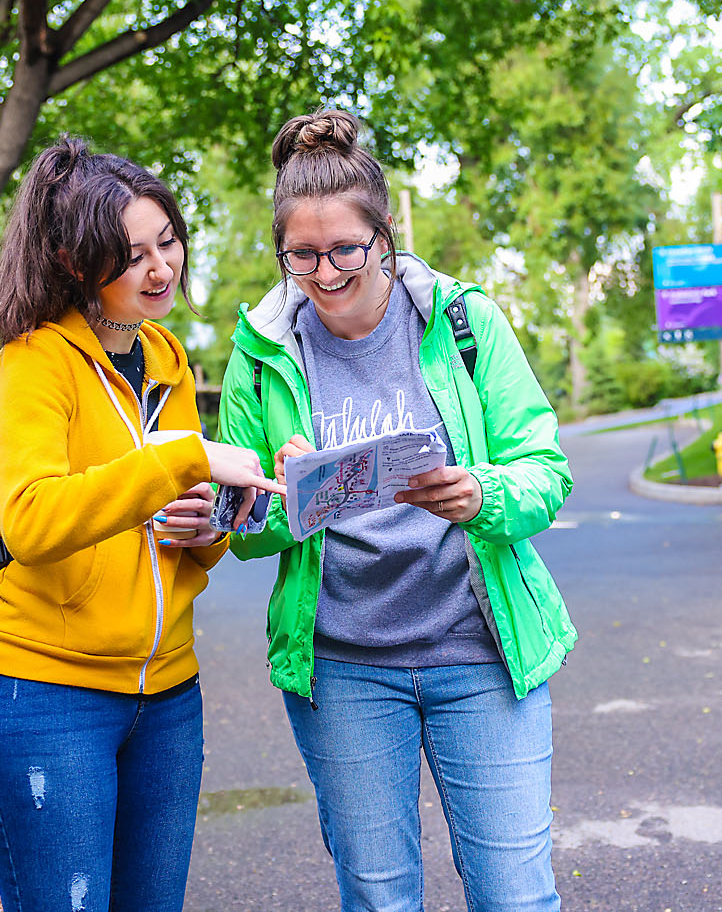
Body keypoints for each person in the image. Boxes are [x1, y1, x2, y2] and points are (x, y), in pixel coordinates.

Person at [217, 109, 577, 912]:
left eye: (345, 248)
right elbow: (239, 527)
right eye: (302, 254)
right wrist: (277, 498)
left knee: (515, 895)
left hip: (480, 651)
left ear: (384, 235)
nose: (325, 272)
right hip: (342, 665)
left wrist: (481, 493)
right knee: (379, 899)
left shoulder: (464, 321)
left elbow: (545, 471)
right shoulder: (261, 353)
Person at [0, 136, 283, 912]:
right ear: (73, 262)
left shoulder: (166, 356)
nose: (161, 268)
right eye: (132, 255)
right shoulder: (30, 366)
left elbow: (173, 536)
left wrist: (207, 527)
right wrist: (181, 459)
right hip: (47, 694)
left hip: (169, 695)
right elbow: (32, 520)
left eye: (167, 241)